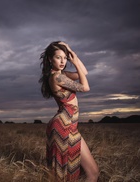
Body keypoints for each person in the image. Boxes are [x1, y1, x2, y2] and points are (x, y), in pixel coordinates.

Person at [39, 41, 99, 181]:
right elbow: (85, 87)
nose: (62, 61)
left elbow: (83, 72)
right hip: (64, 126)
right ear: (50, 59)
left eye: (65, 58)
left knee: (89, 172)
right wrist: (75, 62)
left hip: (69, 126)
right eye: (58, 57)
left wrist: (71, 52)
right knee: (91, 173)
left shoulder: (63, 74)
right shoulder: (57, 77)